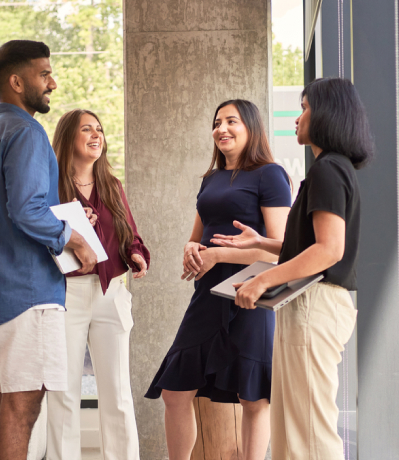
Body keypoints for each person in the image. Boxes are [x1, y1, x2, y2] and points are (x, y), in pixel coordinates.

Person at [212, 77, 374, 459]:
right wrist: (261, 243)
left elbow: (328, 251)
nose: (297, 117)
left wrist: (262, 279)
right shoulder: (333, 169)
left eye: (304, 108)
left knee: (309, 433)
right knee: (292, 432)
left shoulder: (328, 170)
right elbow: (311, 245)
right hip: (309, 305)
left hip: (313, 305)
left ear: (327, 114)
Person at [0, 40, 98, 460]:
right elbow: (26, 210)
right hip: (27, 295)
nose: (53, 83)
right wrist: (73, 237)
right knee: (22, 410)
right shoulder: (26, 131)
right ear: (16, 81)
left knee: (8, 404)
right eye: (44, 74)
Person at [145, 100, 292, 460]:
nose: (221, 128)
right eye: (216, 122)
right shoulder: (210, 179)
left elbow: (279, 250)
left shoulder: (269, 174)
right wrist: (191, 249)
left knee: (253, 396)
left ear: (251, 127)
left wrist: (219, 254)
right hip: (208, 292)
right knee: (175, 391)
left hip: (251, 290)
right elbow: (198, 235)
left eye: (231, 121)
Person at [46, 109, 151, 460]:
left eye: (100, 130)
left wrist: (136, 254)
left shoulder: (112, 185)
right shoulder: (50, 188)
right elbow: (41, 241)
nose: (96, 135)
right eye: (86, 129)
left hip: (112, 291)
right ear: (68, 138)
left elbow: (131, 236)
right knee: (63, 392)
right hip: (66, 294)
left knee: (118, 393)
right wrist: (71, 230)